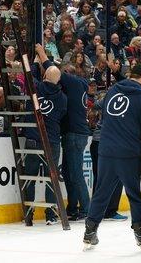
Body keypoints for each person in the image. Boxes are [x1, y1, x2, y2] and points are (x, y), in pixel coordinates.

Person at [83, 64, 141, 251]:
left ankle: (89, 231)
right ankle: (139, 233)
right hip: (128, 153)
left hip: (106, 150)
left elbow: (106, 116)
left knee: (101, 192)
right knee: (134, 195)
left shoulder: (112, 91)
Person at [36, 44, 90, 222]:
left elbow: (52, 70)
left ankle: (87, 209)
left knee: (74, 173)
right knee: (68, 172)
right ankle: (73, 208)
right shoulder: (81, 84)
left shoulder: (71, 82)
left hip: (74, 134)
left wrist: (42, 53)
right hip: (76, 133)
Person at [23, 49, 68, 226]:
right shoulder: (63, 98)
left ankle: (29, 214)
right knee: (52, 177)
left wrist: (35, 62)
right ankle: (50, 214)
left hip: (34, 139)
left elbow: (29, 76)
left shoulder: (37, 88)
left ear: (44, 77)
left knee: (31, 177)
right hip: (52, 141)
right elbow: (62, 115)